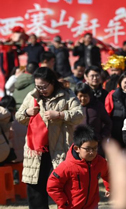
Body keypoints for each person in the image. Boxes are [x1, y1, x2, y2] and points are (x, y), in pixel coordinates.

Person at [15, 67, 83, 209]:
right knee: (35, 189)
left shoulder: (67, 95)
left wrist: (60, 115)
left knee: (63, 187)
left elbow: (79, 115)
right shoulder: (32, 96)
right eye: (38, 86)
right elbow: (18, 116)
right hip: (36, 149)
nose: (41, 90)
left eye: (44, 86)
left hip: (59, 147)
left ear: (52, 82)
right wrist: (27, 113)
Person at [47, 125, 110, 209]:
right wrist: (64, 202)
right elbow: (52, 186)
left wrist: (109, 188)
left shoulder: (100, 162)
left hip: (92, 205)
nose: (92, 152)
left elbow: (107, 174)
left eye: (95, 148)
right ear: (77, 148)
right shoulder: (67, 166)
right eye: (88, 149)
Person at [75, 83, 112, 157]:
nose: (83, 99)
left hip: (96, 146)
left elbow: (108, 123)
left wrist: (101, 137)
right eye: (80, 96)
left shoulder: (98, 106)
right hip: (78, 145)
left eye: (85, 96)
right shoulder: (73, 107)